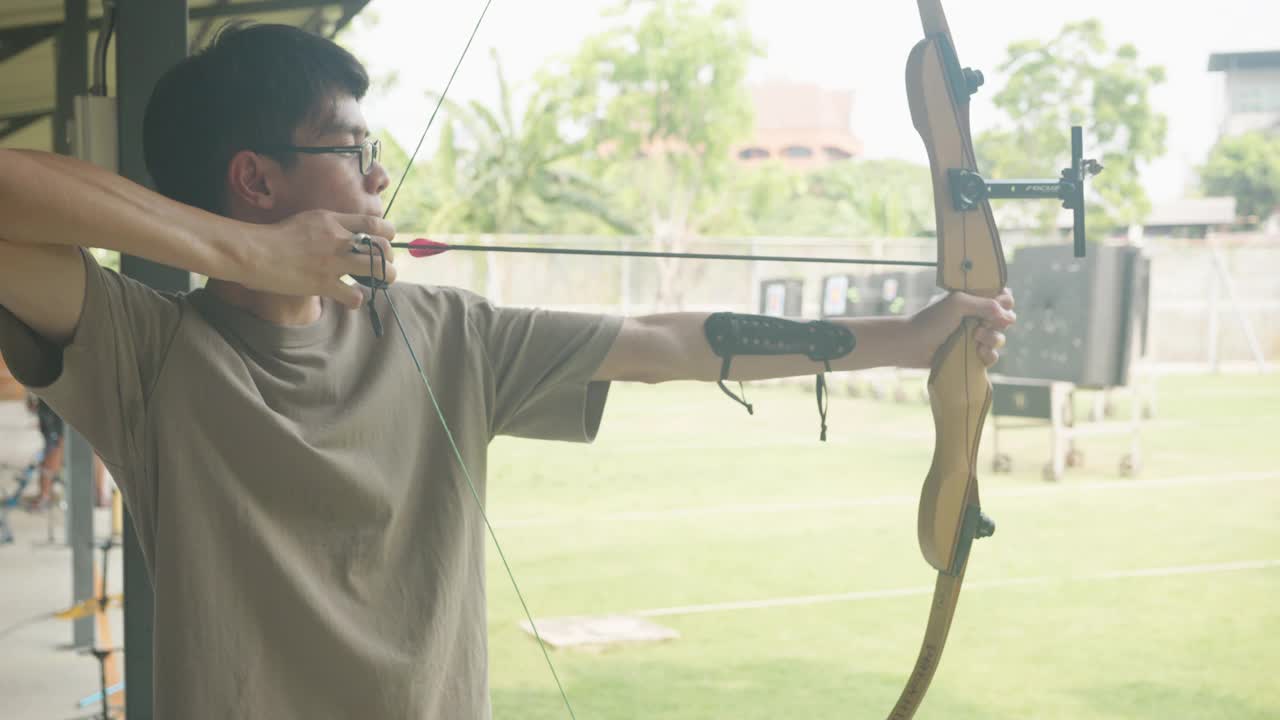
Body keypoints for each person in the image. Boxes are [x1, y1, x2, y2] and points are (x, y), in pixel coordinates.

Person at [0, 23, 1014, 719]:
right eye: (354, 149)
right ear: (254, 179)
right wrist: (249, 255)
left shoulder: (445, 332)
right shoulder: (150, 354)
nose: (380, 175)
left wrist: (905, 337)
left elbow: (666, 343)